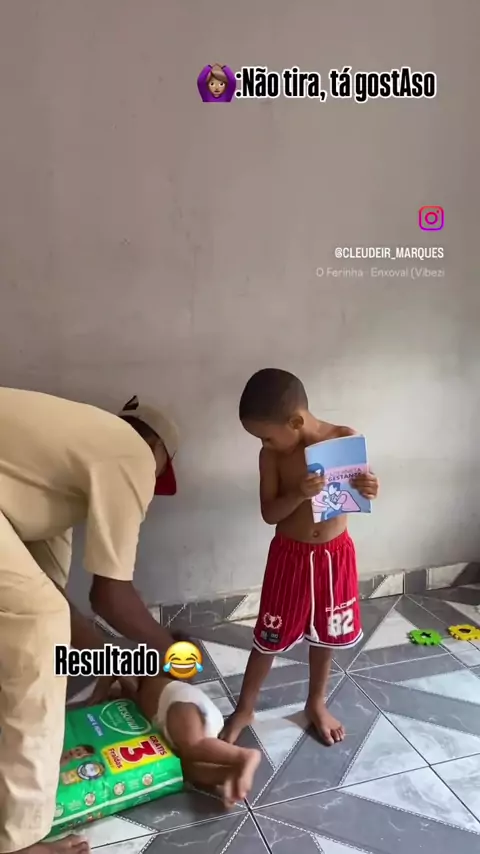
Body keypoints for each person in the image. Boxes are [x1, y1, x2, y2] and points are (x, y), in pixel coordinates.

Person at [0, 387, 179, 854]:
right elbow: (109, 597)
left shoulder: (48, 475)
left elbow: (55, 598)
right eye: (159, 472)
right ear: (155, 449)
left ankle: (17, 750)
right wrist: (172, 653)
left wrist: (110, 665)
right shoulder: (132, 454)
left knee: (35, 619)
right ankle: (17, 839)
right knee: (37, 622)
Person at [221, 369, 379, 747]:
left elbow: (361, 491)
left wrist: (371, 486)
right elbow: (270, 513)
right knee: (269, 635)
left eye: (267, 436)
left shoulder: (343, 440)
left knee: (326, 633)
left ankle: (316, 703)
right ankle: (245, 708)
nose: (265, 443)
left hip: (334, 556)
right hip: (289, 557)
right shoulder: (272, 457)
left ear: (294, 422)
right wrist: (299, 493)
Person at [91, 673, 261, 808]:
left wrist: (99, 693)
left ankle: (245, 756)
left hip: (182, 704)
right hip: (179, 724)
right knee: (184, 770)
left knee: (194, 744)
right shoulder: (139, 695)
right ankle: (227, 774)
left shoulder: (150, 681)